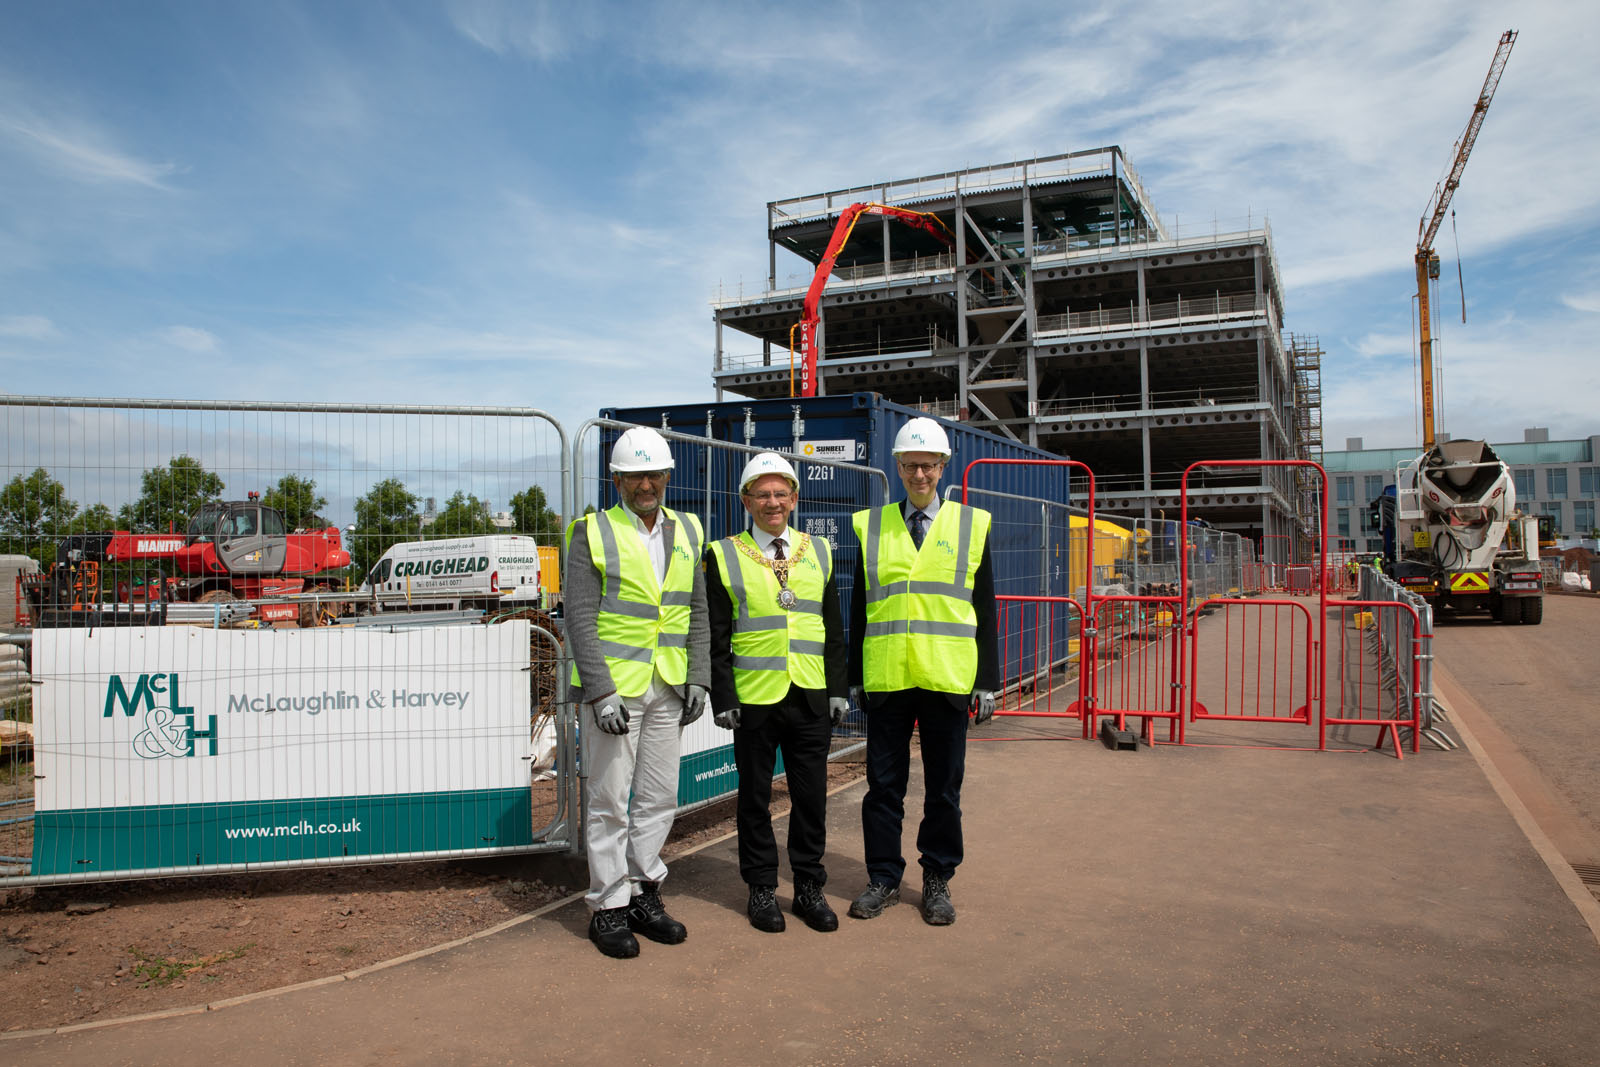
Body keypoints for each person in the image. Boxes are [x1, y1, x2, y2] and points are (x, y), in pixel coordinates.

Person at [565, 426, 710, 959]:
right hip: (617, 693)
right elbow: (578, 614)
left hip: (668, 685)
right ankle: (606, 907)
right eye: (634, 475)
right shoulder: (592, 531)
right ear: (617, 479)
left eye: (653, 474)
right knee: (608, 801)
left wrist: (699, 677)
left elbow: (697, 611)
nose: (645, 484)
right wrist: (600, 691)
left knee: (658, 797)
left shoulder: (688, 529)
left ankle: (643, 891)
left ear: (668, 476)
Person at [848, 417, 997, 926]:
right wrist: (852, 675)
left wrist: (988, 681)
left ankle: (937, 878)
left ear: (942, 467)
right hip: (888, 678)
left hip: (947, 679)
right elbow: (858, 606)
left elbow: (985, 605)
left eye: (928, 465)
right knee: (883, 787)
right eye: (910, 465)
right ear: (898, 467)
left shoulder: (971, 525)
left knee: (943, 789)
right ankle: (884, 878)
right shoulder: (871, 526)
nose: (919, 475)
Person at [705, 452, 848, 935]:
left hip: (809, 694)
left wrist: (837, 688)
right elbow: (715, 637)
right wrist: (723, 698)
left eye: (781, 493)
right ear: (746, 501)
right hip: (754, 698)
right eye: (762, 494)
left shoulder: (820, 550)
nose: (773, 502)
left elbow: (833, 628)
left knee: (812, 799)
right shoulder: (723, 554)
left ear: (794, 498)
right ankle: (762, 888)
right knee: (754, 798)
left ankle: (809, 886)